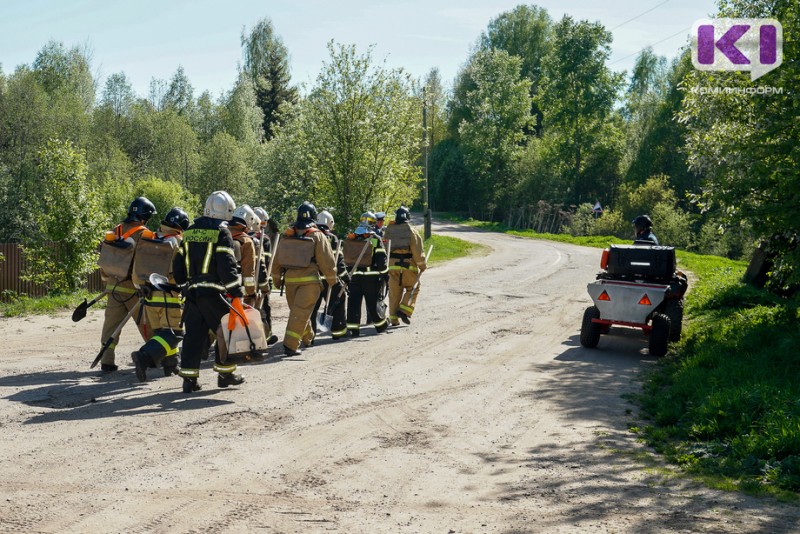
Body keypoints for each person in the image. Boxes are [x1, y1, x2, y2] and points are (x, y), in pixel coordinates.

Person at [173, 191, 246, 393]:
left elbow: (178, 265)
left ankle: (189, 381)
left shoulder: (188, 231)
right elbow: (226, 265)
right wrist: (236, 292)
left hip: (192, 292)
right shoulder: (222, 231)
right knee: (226, 331)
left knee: (193, 336)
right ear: (227, 211)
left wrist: (183, 282)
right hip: (214, 293)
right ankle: (226, 374)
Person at [96, 197, 156, 373]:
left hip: (113, 286)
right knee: (146, 324)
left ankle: (107, 361)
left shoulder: (117, 229)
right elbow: (147, 262)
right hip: (134, 289)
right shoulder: (145, 234)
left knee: (111, 326)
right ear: (145, 216)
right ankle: (155, 356)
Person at [270, 202, 337, 357]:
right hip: (309, 283)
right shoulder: (317, 235)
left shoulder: (287, 235)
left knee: (298, 313)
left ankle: (308, 337)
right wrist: (332, 280)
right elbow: (327, 260)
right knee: (300, 313)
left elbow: (277, 260)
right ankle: (290, 345)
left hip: (290, 282)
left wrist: (277, 280)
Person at [130, 207, 190, 381]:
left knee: (162, 333)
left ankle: (170, 365)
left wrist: (140, 287)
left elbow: (136, 270)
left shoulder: (149, 238)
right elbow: (182, 271)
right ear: (182, 226)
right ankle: (144, 356)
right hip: (169, 296)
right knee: (175, 333)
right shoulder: (178, 242)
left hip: (148, 296)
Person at [383, 206, 427, 326]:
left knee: (394, 293)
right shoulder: (411, 231)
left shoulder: (389, 230)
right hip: (408, 267)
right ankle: (404, 310)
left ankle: (393, 319)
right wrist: (422, 265)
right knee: (413, 287)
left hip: (392, 267)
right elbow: (417, 251)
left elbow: (384, 247)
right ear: (408, 217)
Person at [344, 221, 388, 336]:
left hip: (353, 277)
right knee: (373, 302)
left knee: (353, 302)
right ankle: (380, 326)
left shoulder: (352, 237)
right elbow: (381, 262)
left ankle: (353, 329)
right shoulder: (374, 239)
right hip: (371, 278)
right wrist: (386, 276)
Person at [310, 210, 349, 339]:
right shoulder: (332, 238)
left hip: (312, 278)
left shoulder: (310, 235)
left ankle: (310, 335)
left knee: (312, 308)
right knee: (339, 299)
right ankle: (338, 331)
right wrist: (345, 278)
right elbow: (339, 263)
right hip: (329, 279)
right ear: (330, 223)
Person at [252, 207, 278, 345]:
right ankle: (266, 335)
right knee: (263, 308)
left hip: (242, 281)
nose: (263, 229)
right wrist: (266, 282)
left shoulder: (238, 235)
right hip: (259, 279)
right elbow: (266, 263)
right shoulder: (264, 239)